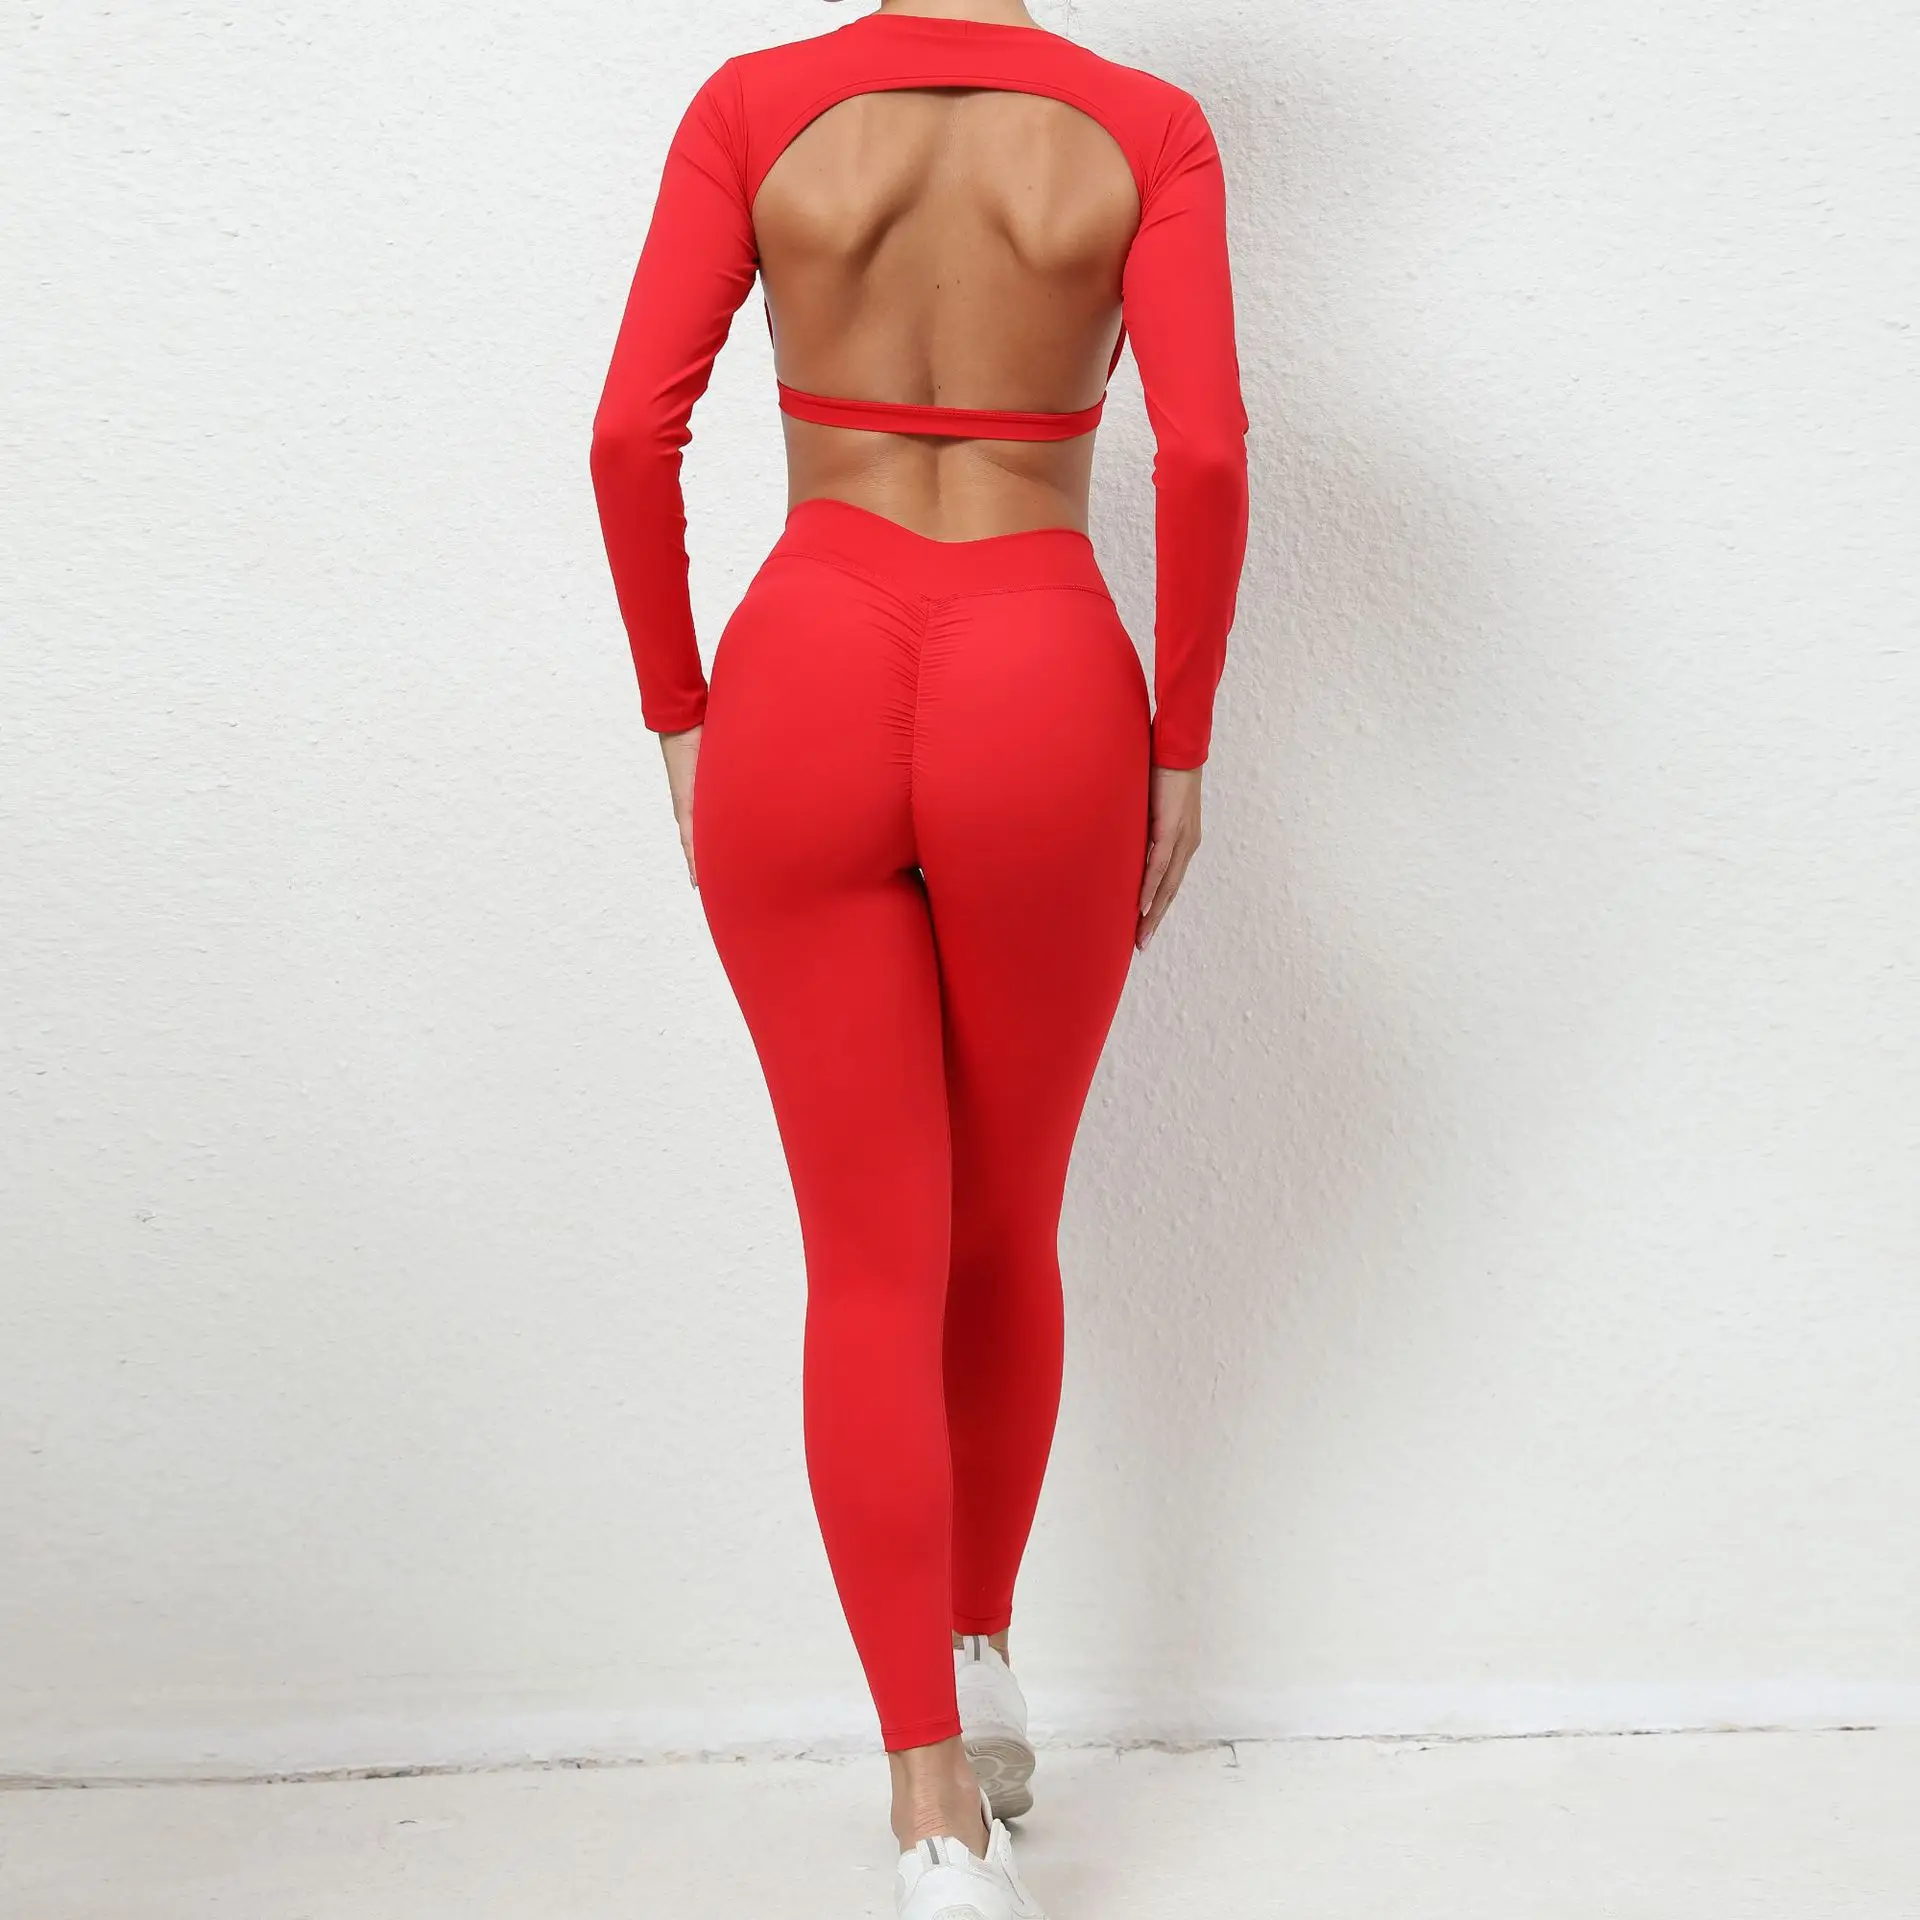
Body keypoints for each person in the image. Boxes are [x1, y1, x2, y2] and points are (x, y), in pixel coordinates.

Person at [589, 2, 1248, 1912]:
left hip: (805, 659)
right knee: (1004, 1225)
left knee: (868, 1255)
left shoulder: (755, 108)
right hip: (1042, 672)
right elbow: (1204, 455)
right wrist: (1181, 742)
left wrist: (679, 707)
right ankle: (979, 1648)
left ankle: (932, 1813)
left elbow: (628, 434)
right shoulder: (1143, 129)